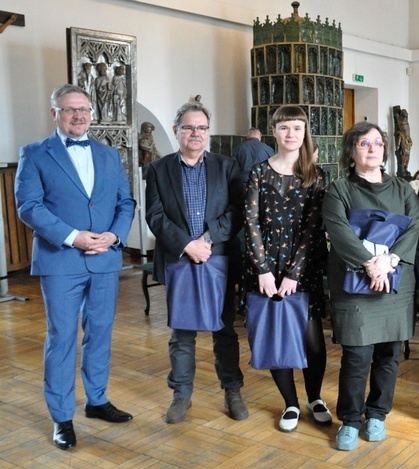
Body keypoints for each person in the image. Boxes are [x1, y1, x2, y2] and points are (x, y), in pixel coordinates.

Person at [15, 84, 136, 450]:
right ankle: (62, 417)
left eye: (83, 109)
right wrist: (72, 236)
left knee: (100, 333)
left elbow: (125, 202)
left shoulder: (108, 154)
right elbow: (29, 206)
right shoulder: (34, 154)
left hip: (105, 258)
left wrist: (114, 237)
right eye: (69, 110)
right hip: (60, 259)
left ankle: (96, 401)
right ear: (55, 113)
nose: (78, 115)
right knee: (62, 337)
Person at [145, 102, 248, 425]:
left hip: (217, 258)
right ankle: (182, 395)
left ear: (208, 132)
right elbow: (155, 215)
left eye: (201, 127)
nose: (195, 133)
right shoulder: (159, 169)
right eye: (188, 127)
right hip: (179, 259)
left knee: (224, 330)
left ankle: (232, 390)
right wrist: (186, 244)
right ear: (176, 131)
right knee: (182, 333)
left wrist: (206, 240)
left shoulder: (227, 166)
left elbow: (237, 211)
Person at [323, 121, 419, 450]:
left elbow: (414, 226)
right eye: (364, 144)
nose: (372, 149)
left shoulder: (403, 189)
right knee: (356, 355)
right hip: (354, 284)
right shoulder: (339, 189)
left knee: (389, 355)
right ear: (351, 151)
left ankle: (378, 413)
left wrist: (388, 262)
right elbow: (339, 231)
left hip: (395, 282)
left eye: (377, 143)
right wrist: (370, 263)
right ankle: (350, 419)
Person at [244, 105, 330, 433]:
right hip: (264, 266)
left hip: (303, 268)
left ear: (305, 132)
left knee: (312, 342)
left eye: (297, 128)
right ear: (274, 131)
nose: (291, 134)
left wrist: (293, 273)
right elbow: (250, 222)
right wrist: (263, 269)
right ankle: (290, 403)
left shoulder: (316, 175)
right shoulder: (258, 172)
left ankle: (314, 397)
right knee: (277, 338)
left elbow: (313, 227)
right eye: (284, 128)